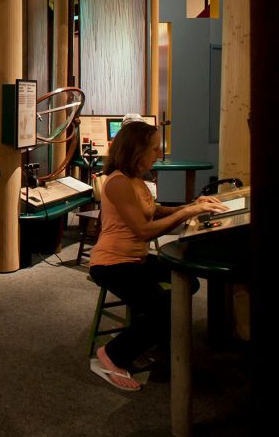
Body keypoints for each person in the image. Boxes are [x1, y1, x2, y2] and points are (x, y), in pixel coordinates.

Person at [89, 120, 228, 391]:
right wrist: (187, 213)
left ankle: (160, 341)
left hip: (134, 260)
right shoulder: (118, 183)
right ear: (135, 150)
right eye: (154, 149)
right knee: (164, 307)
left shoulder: (135, 180)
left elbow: (154, 210)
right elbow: (143, 231)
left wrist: (191, 205)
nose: (158, 154)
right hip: (112, 264)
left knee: (188, 282)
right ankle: (111, 355)